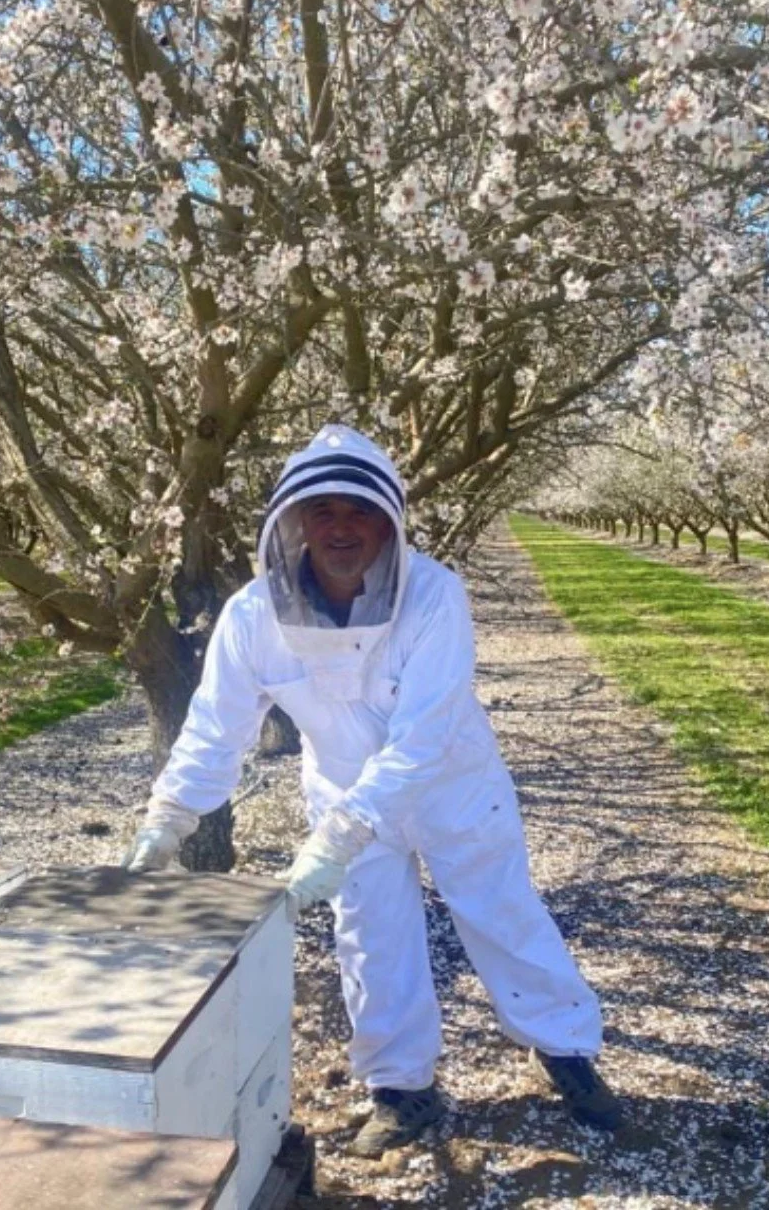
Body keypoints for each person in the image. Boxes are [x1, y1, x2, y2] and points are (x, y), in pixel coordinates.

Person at [123, 424, 622, 1154]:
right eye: (321, 510)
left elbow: (421, 737)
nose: (340, 527)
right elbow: (214, 728)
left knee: (504, 918)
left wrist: (339, 835)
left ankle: (568, 1055)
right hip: (342, 796)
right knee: (372, 941)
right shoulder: (254, 616)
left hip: (453, 788)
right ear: (292, 522)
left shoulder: (433, 595)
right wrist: (167, 820)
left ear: (388, 520)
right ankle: (402, 1090)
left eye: (357, 511)